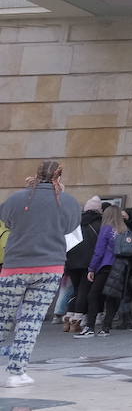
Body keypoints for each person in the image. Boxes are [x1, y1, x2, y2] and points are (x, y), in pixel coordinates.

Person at [0, 161, 81, 384]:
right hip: (50, 267)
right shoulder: (68, 202)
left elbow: (7, 220)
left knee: (2, 318)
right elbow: (70, 228)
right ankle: (16, 373)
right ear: (59, 177)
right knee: (30, 321)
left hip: (15, 267)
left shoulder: (17, 198)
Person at [80, 204, 132, 339]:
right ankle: (106, 328)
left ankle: (90, 327)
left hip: (106, 266)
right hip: (121, 267)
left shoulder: (106, 229)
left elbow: (99, 251)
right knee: (112, 297)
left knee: (93, 295)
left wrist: (92, 268)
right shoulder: (125, 230)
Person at [59, 196, 101, 332]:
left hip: (72, 262)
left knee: (76, 289)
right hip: (89, 262)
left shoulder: (75, 222)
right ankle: (76, 319)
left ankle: (69, 316)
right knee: (84, 290)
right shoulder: (99, 223)